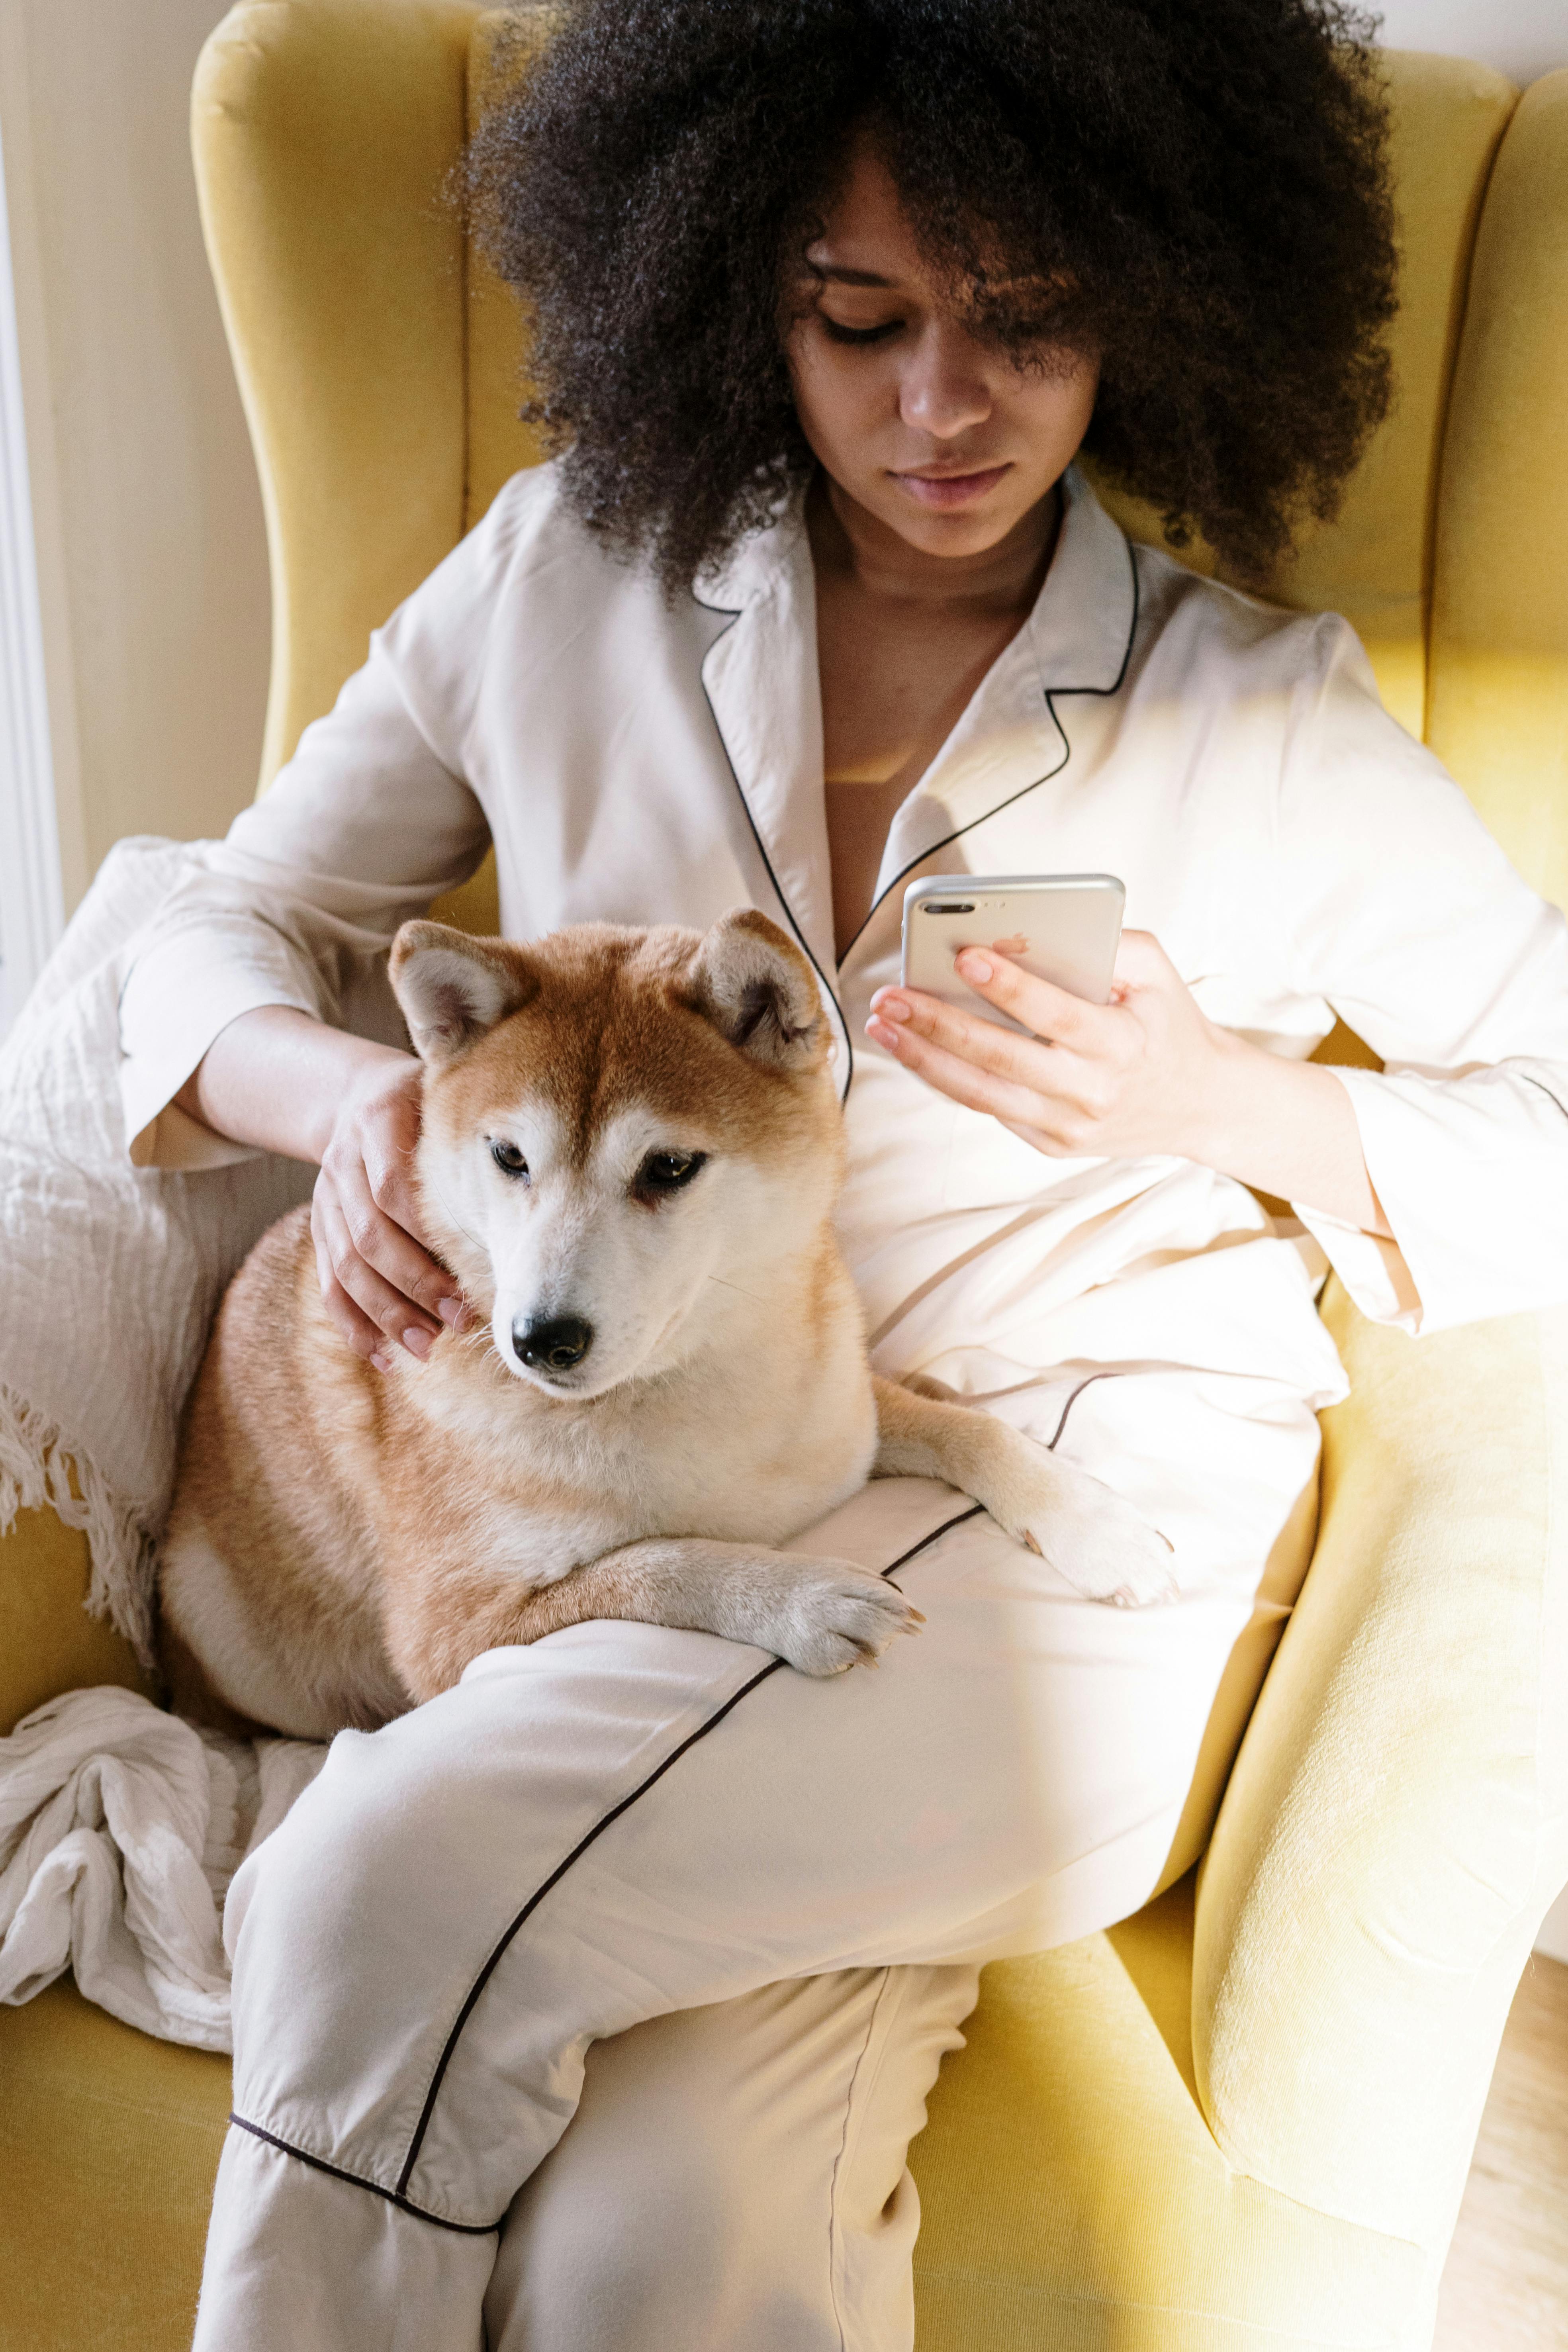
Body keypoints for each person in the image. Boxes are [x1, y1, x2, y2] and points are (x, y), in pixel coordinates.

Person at [117, 2, 1568, 2344]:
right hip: (677, 1519)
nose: (939, 411)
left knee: (372, 1880)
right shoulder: (557, 586)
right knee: (655, 2256)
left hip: (1057, 1545)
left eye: (1023, 322)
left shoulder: (1254, 721)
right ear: (726, 287)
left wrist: (1227, 1101)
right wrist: (345, 1110)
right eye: (857, 319)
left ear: (1153, 289)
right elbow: (204, 914)